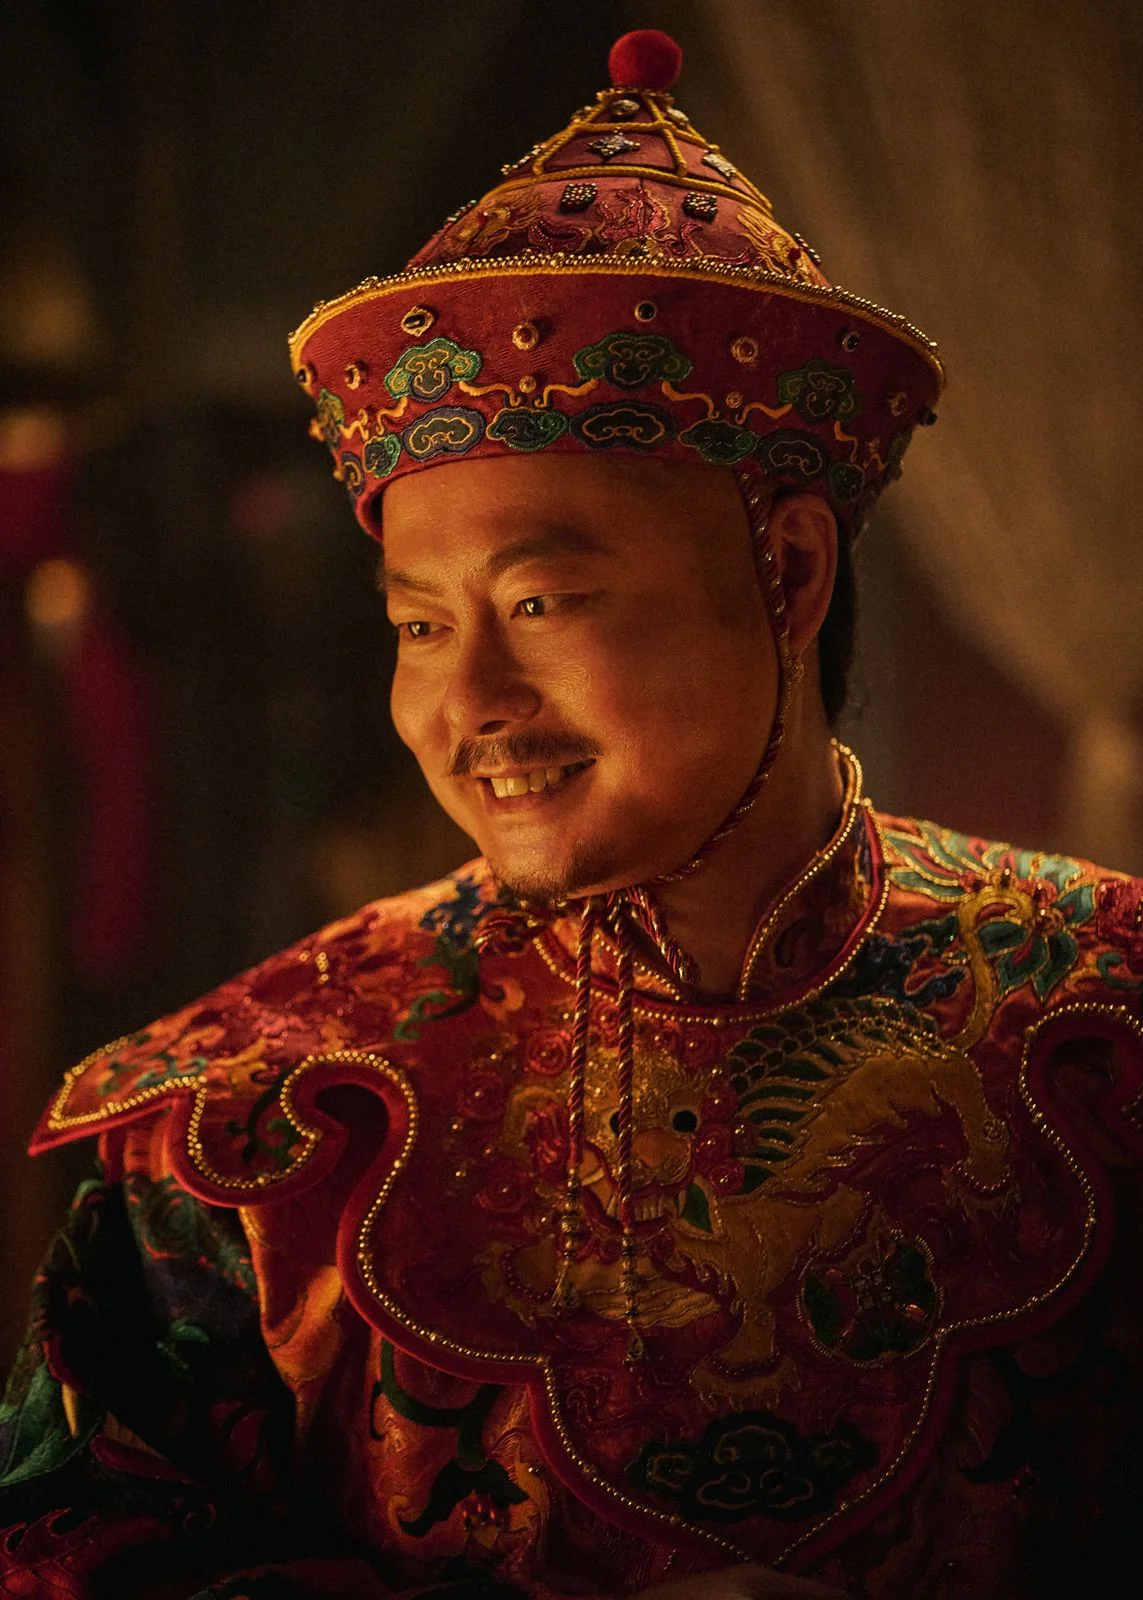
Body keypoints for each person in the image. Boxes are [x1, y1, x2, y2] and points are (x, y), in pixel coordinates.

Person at [3, 28, 1142, 1600]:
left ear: (788, 573)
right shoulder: (245, 1121)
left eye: (541, 601)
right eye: (418, 625)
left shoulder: (1108, 1023)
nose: (465, 699)